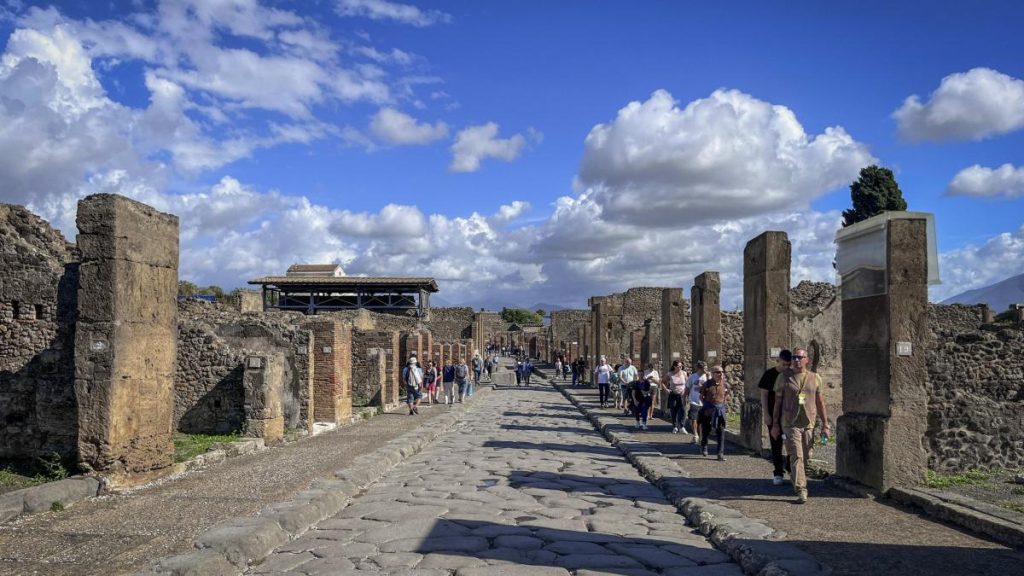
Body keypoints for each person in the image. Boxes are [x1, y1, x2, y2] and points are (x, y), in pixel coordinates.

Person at [771, 347, 829, 504]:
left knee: (806, 455)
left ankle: (792, 470)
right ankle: (801, 489)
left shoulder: (815, 378)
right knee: (797, 456)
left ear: (806, 360)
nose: (796, 360)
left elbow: (820, 402)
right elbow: (777, 403)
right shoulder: (783, 377)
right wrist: (775, 424)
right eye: (794, 357)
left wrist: (825, 424)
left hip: (808, 423)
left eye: (799, 357)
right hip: (790, 423)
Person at [758, 349, 792, 485]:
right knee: (776, 443)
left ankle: (789, 466)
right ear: (778, 361)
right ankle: (778, 472)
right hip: (773, 414)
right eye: (784, 364)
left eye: (788, 365)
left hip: (789, 415)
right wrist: (766, 414)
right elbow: (764, 395)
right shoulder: (769, 374)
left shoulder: (791, 374)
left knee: (792, 442)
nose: (786, 367)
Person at [699, 365, 730, 460]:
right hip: (708, 410)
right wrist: (706, 406)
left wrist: (723, 405)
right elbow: (701, 396)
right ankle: (704, 446)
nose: (721, 374)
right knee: (706, 430)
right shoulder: (707, 384)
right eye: (718, 372)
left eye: (722, 372)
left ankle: (720, 453)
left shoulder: (725, 384)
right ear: (712, 374)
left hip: (720, 410)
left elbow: (726, 395)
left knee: (721, 431)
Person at [684, 362, 708, 444]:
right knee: (694, 418)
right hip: (694, 401)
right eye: (705, 368)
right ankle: (695, 435)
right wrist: (684, 398)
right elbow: (687, 388)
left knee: (702, 420)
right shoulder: (692, 377)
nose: (706, 370)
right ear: (700, 368)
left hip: (704, 402)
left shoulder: (707, 377)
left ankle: (701, 436)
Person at [663, 360, 689, 433]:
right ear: (674, 366)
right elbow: (662, 382)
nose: (680, 368)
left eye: (681, 366)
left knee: (683, 410)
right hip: (673, 394)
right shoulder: (670, 374)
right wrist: (666, 389)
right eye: (678, 366)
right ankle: (675, 426)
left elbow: (687, 383)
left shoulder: (684, 373)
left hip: (682, 395)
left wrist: (685, 391)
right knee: (674, 410)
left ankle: (682, 426)